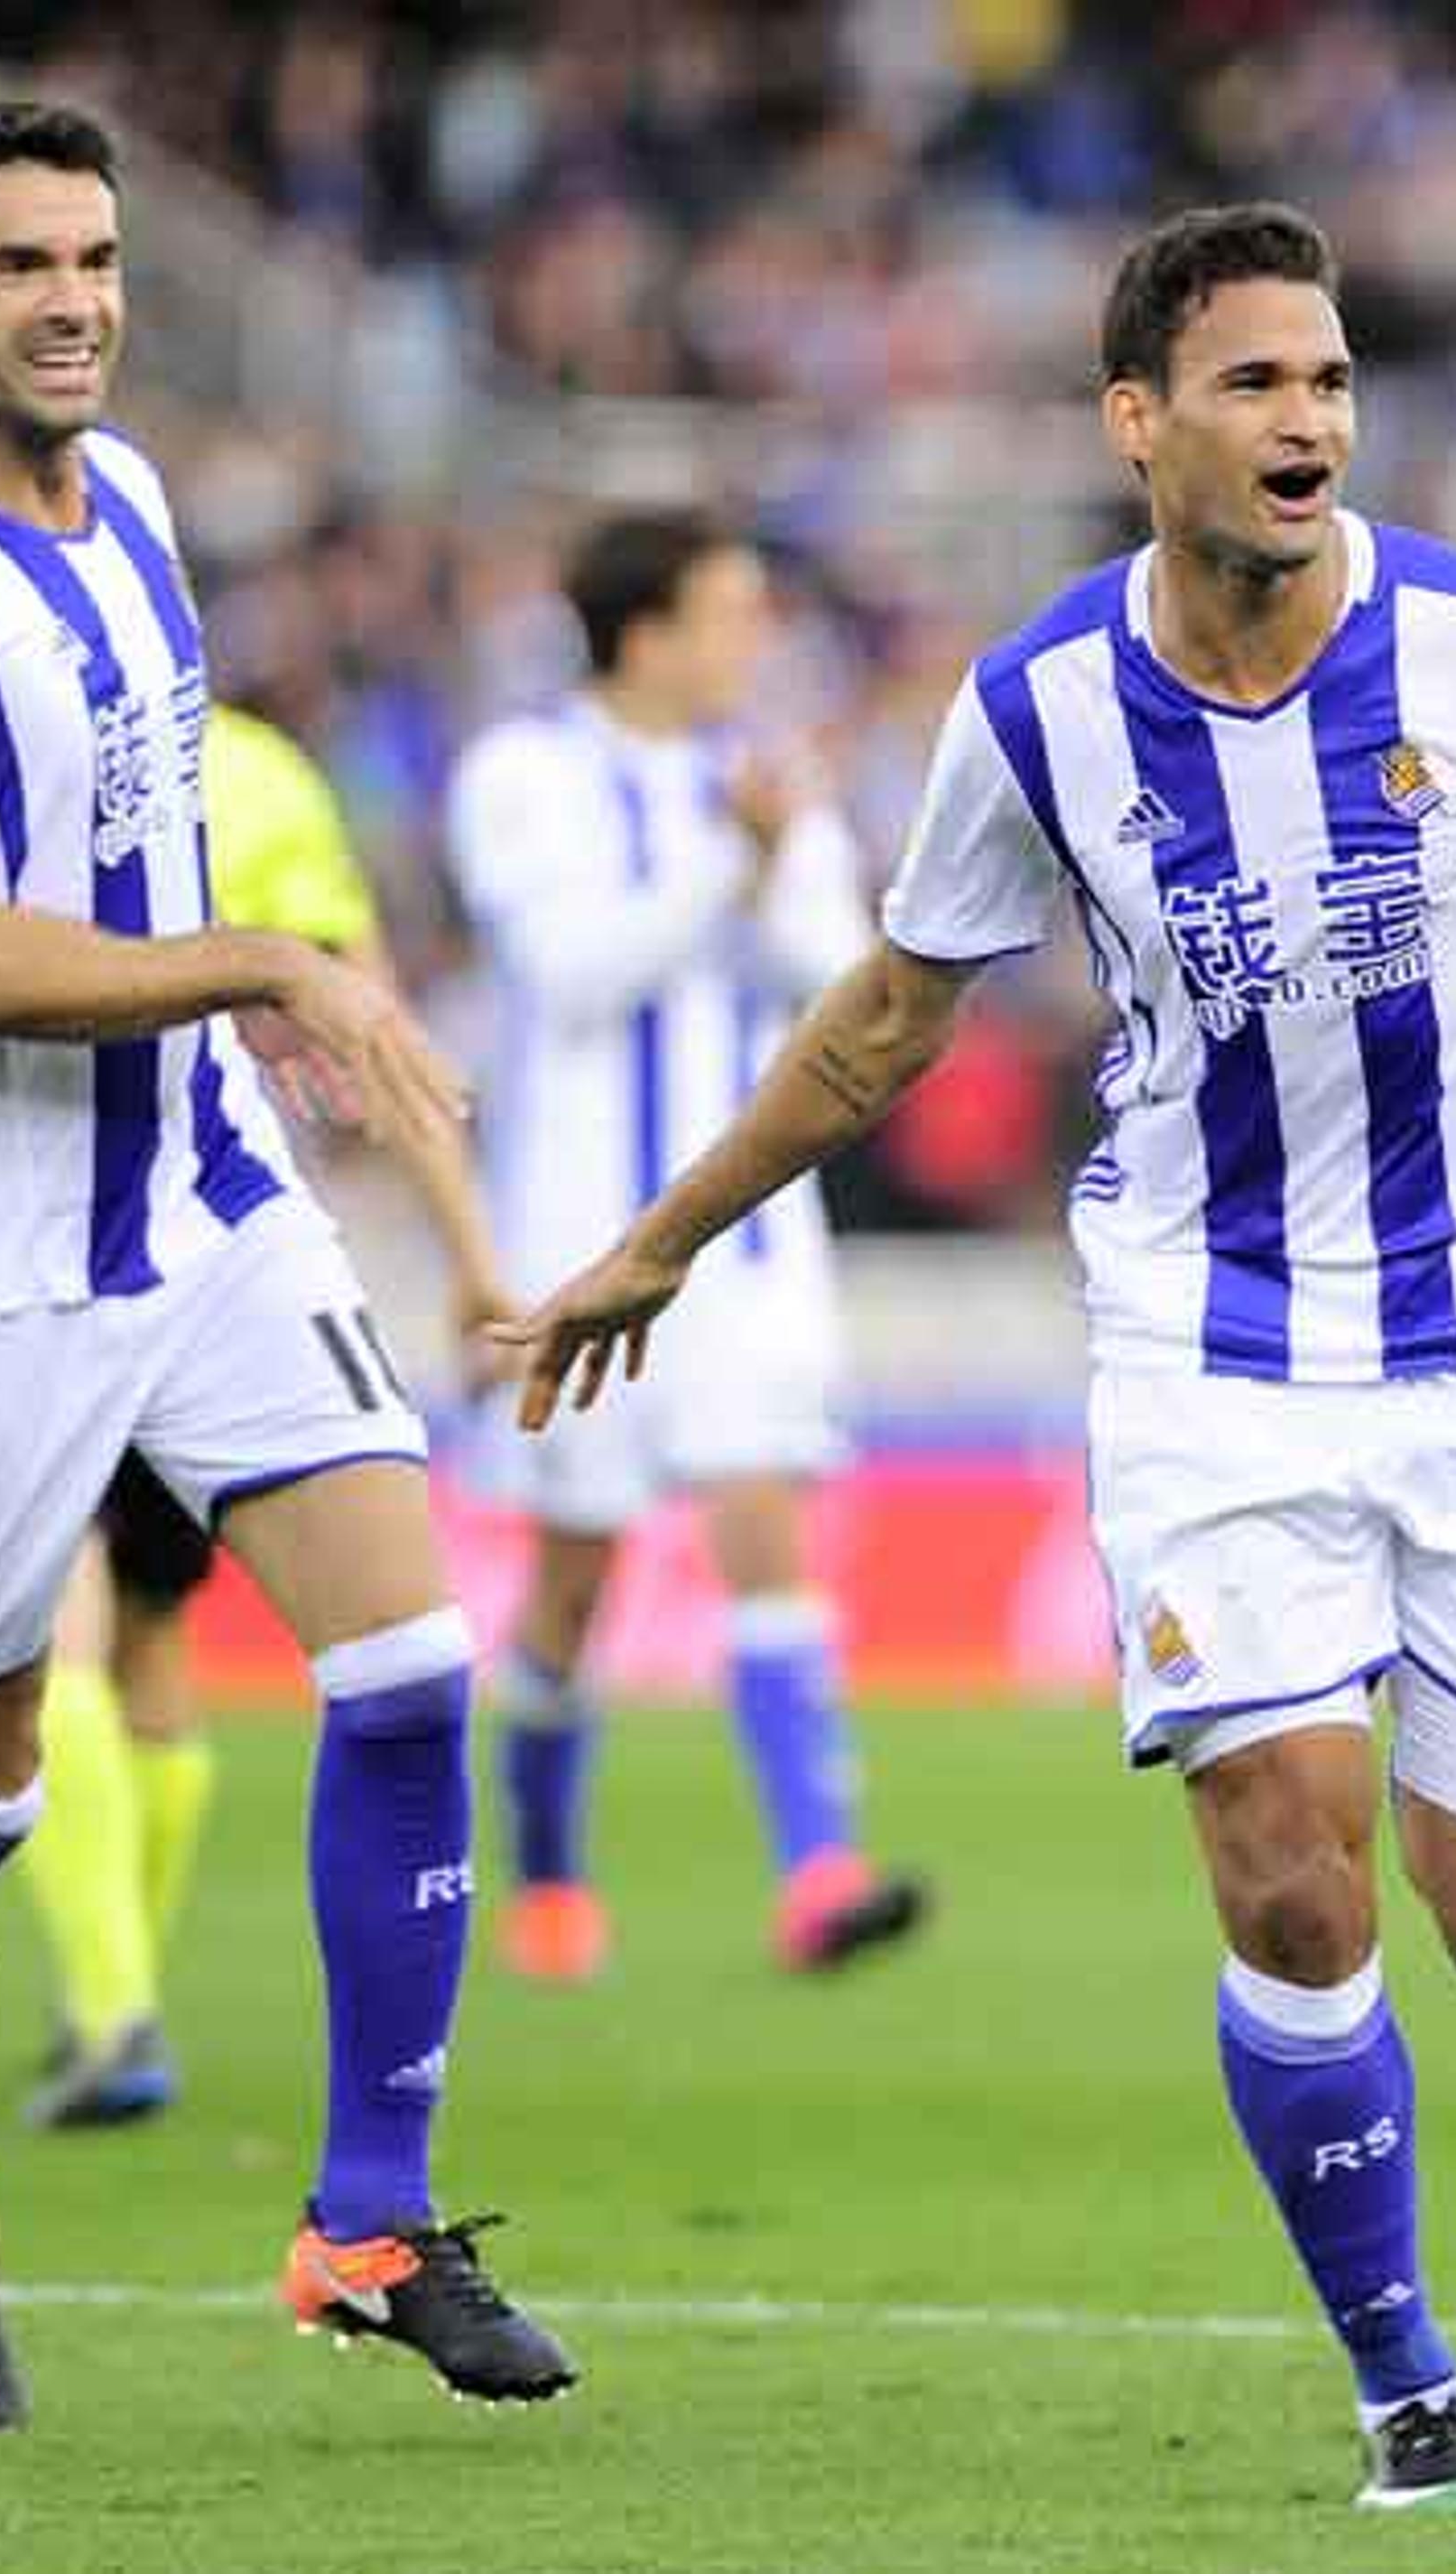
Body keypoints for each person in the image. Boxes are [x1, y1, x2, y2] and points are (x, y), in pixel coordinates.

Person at [494, 203, 1456, 2514]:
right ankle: (1402, 2369)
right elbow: (884, 1017)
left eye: (1330, 381)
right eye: (1255, 385)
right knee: (1283, 1864)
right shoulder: (1037, 708)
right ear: (1138, 423)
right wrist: (658, 1244)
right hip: (1208, 1338)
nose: (1308, 422)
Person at [0, 99, 569, 2429]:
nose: (77, 298)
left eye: (97, 256)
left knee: (408, 1663)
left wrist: (291, 1034)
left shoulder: (145, 519)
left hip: (202, 1200)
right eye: (19, 263)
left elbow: (148, 861)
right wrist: (272, 975)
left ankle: (369, 2216)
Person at [0, 702, 517, 2132]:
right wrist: (472, 1258)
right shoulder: (263, 774)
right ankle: (123, 1983)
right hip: (213, 1251)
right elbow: (379, 1047)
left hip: (11, 1264)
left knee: (65, 1641)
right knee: (163, 1644)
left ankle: (111, 2005)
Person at [448, 512, 929, 1985]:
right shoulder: (524, 774)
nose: (754, 644)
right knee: (575, 1579)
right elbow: (567, 974)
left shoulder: (771, 779)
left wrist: (774, 863)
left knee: (763, 1529)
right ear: (644, 632)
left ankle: (819, 1873)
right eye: (728, 615)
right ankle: (548, 1874)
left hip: (755, 1244)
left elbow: (849, 983)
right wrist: (732, 869)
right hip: (577, 1240)